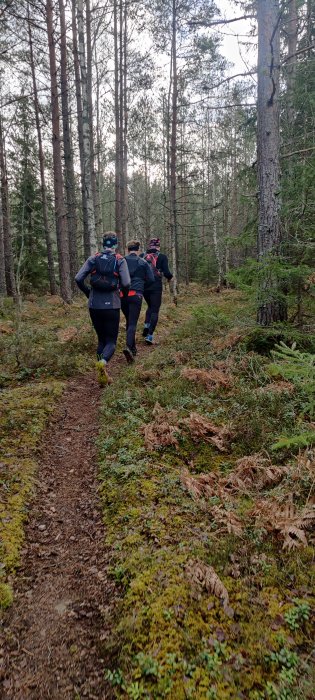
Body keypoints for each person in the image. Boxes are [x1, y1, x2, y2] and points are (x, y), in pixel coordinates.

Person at [75, 233, 130, 385]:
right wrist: (123, 296)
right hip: (112, 305)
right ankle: (103, 363)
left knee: (101, 340)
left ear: (103, 243)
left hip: (94, 305)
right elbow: (126, 283)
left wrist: (88, 292)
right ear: (116, 244)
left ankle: (102, 375)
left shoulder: (93, 258)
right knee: (111, 341)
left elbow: (78, 278)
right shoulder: (120, 260)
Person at [121, 239, 154, 363]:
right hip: (136, 294)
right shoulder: (143, 262)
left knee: (129, 321)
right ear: (138, 250)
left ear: (127, 249)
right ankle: (129, 347)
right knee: (133, 322)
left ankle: (133, 348)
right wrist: (142, 285)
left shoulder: (121, 260)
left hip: (122, 295)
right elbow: (151, 279)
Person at [142, 237, 173, 344]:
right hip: (156, 286)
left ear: (150, 246)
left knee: (150, 306)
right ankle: (149, 335)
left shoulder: (143, 256)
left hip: (144, 286)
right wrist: (170, 278)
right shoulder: (162, 257)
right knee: (155, 309)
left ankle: (146, 325)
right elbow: (167, 272)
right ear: (158, 246)